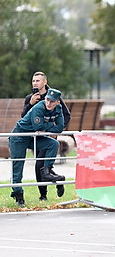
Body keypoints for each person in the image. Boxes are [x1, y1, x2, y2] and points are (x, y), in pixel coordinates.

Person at [9, 89, 65, 206]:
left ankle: (46, 171)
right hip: (19, 136)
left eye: (52, 101)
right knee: (18, 167)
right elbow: (37, 125)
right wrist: (50, 125)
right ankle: (19, 196)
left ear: (58, 102)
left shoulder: (58, 109)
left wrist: (45, 128)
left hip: (33, 136)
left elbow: (59, 128)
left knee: (53, 144)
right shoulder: (39, 107)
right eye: (47, 100)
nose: (49, 103)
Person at [21, 71, 70, 201]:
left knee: (40, 165)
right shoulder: (30, 98)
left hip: (49, 137)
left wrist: (55, 131)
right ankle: (59, 180)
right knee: (43, 167)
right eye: (33, 81)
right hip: (36, 137)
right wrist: (30, 103)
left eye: (38, 81)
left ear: (45, 82)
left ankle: (43, 196)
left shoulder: (53, 96)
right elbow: (24, 117)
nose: (35, 83)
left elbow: (66, 115)